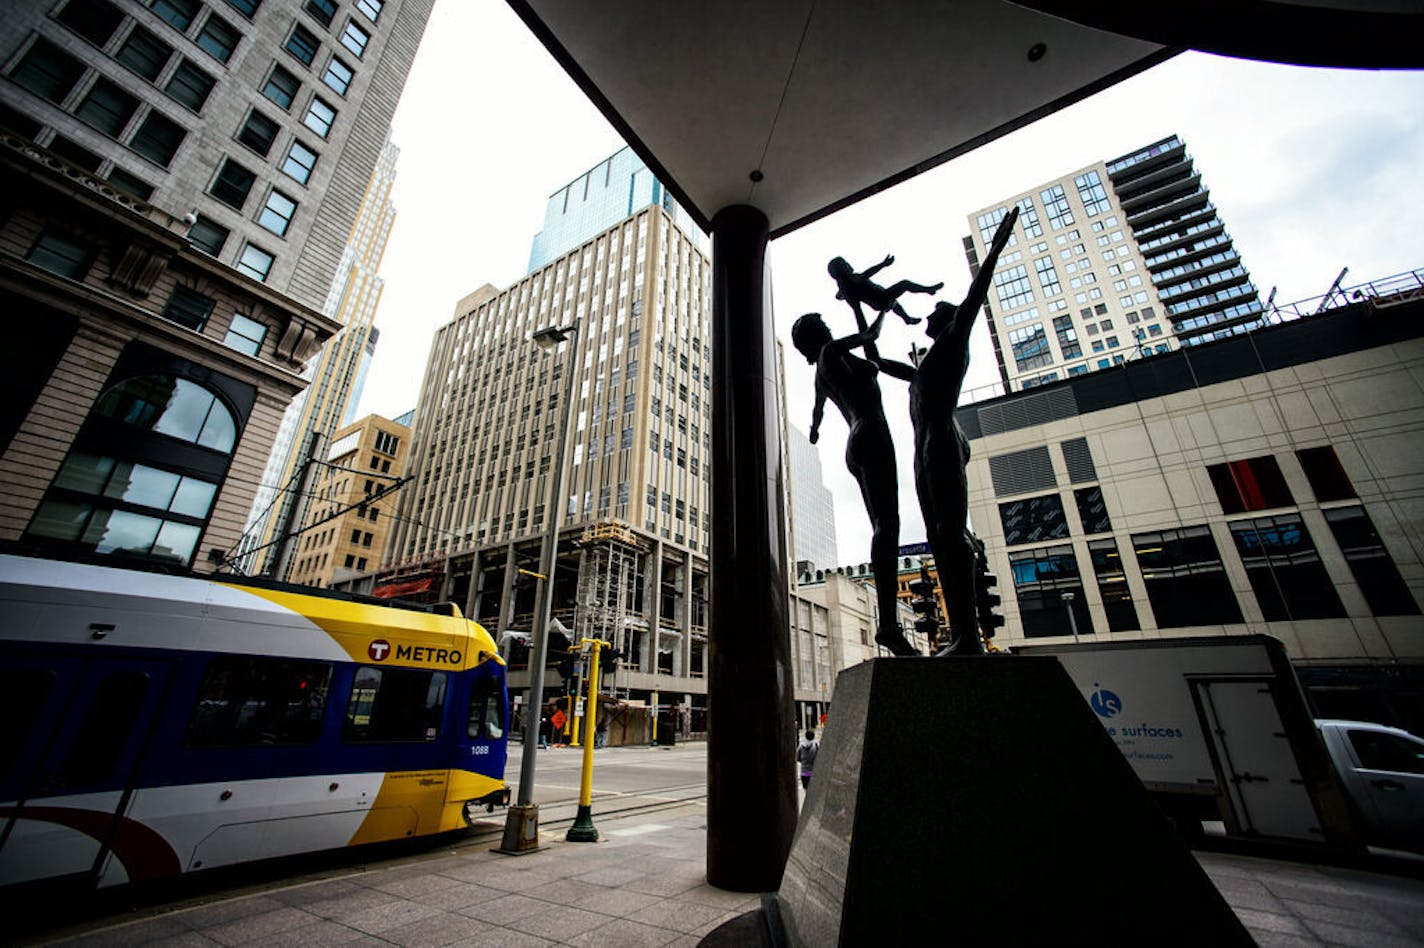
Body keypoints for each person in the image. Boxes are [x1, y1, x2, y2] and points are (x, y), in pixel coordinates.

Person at [871, 207, 1019, 655]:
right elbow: (879, 362)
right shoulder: (923, 365)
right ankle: (961, 635)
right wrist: (867, 312)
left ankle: (969, 638)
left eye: (938, 310)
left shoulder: (954, 342)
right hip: (925, 447)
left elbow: (975, 296)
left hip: (941, 443)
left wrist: (992, 251)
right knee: (938, 535)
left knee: (950, 533)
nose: (931, 313)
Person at [792, 308, 917, 656]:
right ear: (820, 333)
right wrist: (882, 309)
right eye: (826, 325)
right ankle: (889, 625)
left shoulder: (824, 369)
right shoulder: (831, 353)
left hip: (857, 438)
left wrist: (815, 431)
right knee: (887, 525)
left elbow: (817, 414)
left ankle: (889, 623)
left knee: (883, 525)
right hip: (872, 432)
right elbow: (870, 339)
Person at [828, 254, 943, 329]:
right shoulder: (850, 280)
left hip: (880, 299)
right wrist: (883, 264)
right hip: (880, 298)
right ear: (841, 270)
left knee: (894, 302)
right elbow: (866, 274)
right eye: (845, 264)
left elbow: (856, 310)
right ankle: (929, 290)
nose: (849, 265)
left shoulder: (846, 285)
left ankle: (907, 318)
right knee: (905, 284)